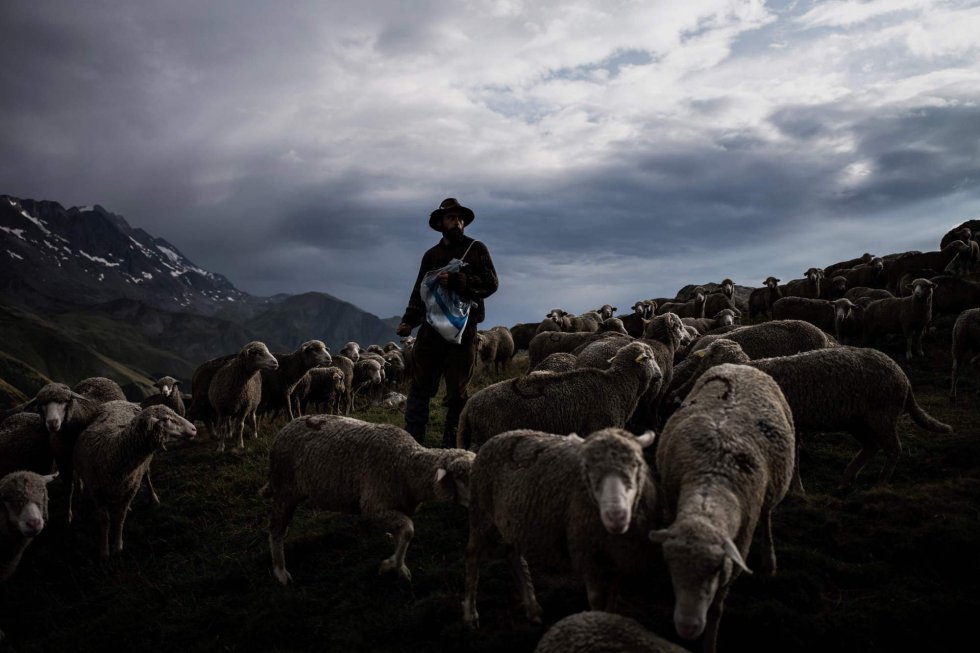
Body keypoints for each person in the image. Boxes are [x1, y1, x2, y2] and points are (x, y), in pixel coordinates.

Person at [396, 198, 499, 447]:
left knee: (457, 392)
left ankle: (453, 444)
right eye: (452, 218)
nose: (457, 222)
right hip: (431, 331)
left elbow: (491, 283)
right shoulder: (431, 255)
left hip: (463, 331)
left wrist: (459, 281)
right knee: (420, 386)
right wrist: (409, 321)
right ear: (441, 222)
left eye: (460, 218)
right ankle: (413, 441)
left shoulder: (476, 249)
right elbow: (420, 290)